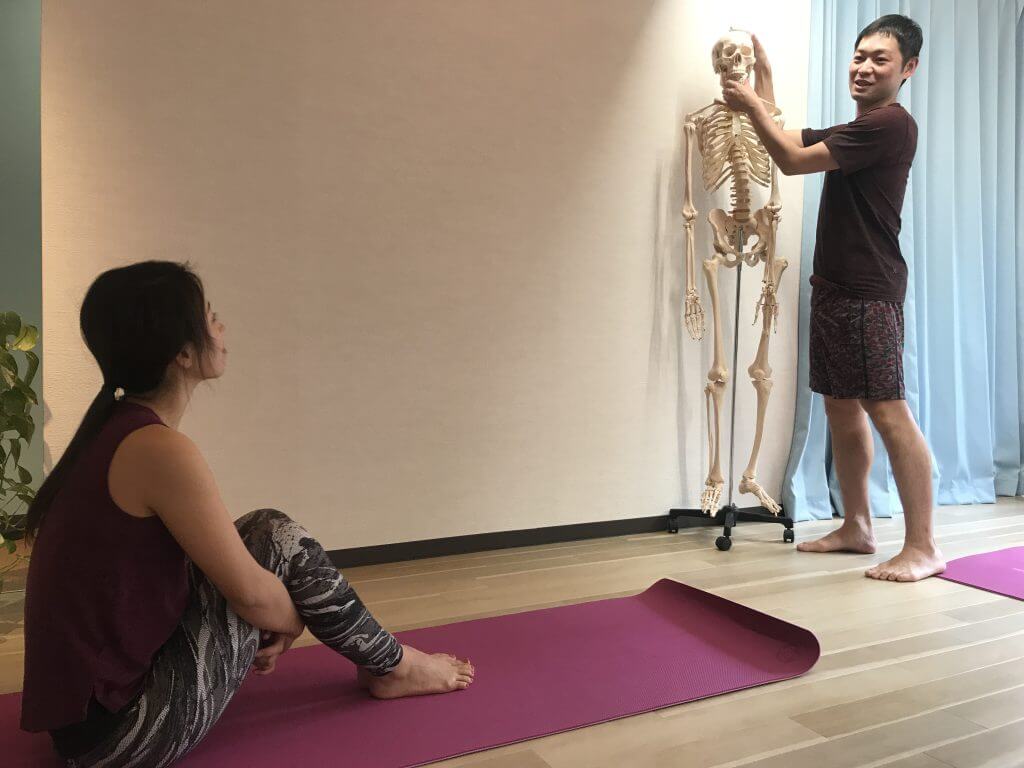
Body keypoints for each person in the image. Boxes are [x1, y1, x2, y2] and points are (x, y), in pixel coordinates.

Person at [20, 261, 475, 767]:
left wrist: (276, 613)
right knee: (278, 537)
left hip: (88, 725)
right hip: (116, 738)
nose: (221, 327)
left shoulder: (117, 431)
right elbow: (251, 595)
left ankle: (384, 661)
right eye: (209, 316)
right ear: (183, 353)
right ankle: (394, 666)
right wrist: (293, 620)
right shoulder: (157, 450)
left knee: (263, 532)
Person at [721, 16, 945, 582]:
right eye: (859, 56)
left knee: (887, 411)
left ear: (908, 68)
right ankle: (857, 526)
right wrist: (764, 80)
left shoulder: (890, 124)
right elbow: (790, 135)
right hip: (835, 289)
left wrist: (751, 105)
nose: (864, 67)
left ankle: (923, 546)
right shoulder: (858, 127)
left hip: (868, 293)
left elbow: (791, 161)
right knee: (841, 407)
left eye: (880, 59)